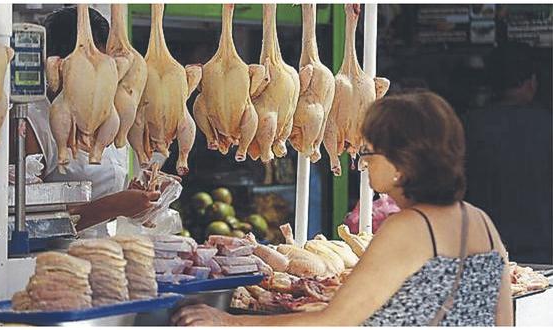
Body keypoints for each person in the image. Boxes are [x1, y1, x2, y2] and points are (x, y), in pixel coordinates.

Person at [172, 92, 513, 326]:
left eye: (368, 151)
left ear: (401, 163)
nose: (361, 162)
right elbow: (503, 317)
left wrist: (228, 322)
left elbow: (334, 322)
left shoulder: (410, 227)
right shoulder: (479, 221)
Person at [0, 6, 168, 237]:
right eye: (89, 67)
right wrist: (115, 206)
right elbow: (21, 222)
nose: (99, 77)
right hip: (47, 261)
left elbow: (103, 192)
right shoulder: (30, 121)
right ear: (61, 64)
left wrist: (137, 199)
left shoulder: (112, 115)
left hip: (101, 256)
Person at [465, 42, 552, 263]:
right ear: (532, 82)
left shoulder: (469, 125)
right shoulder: (546, 125)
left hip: (483, 244)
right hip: (542, 245)